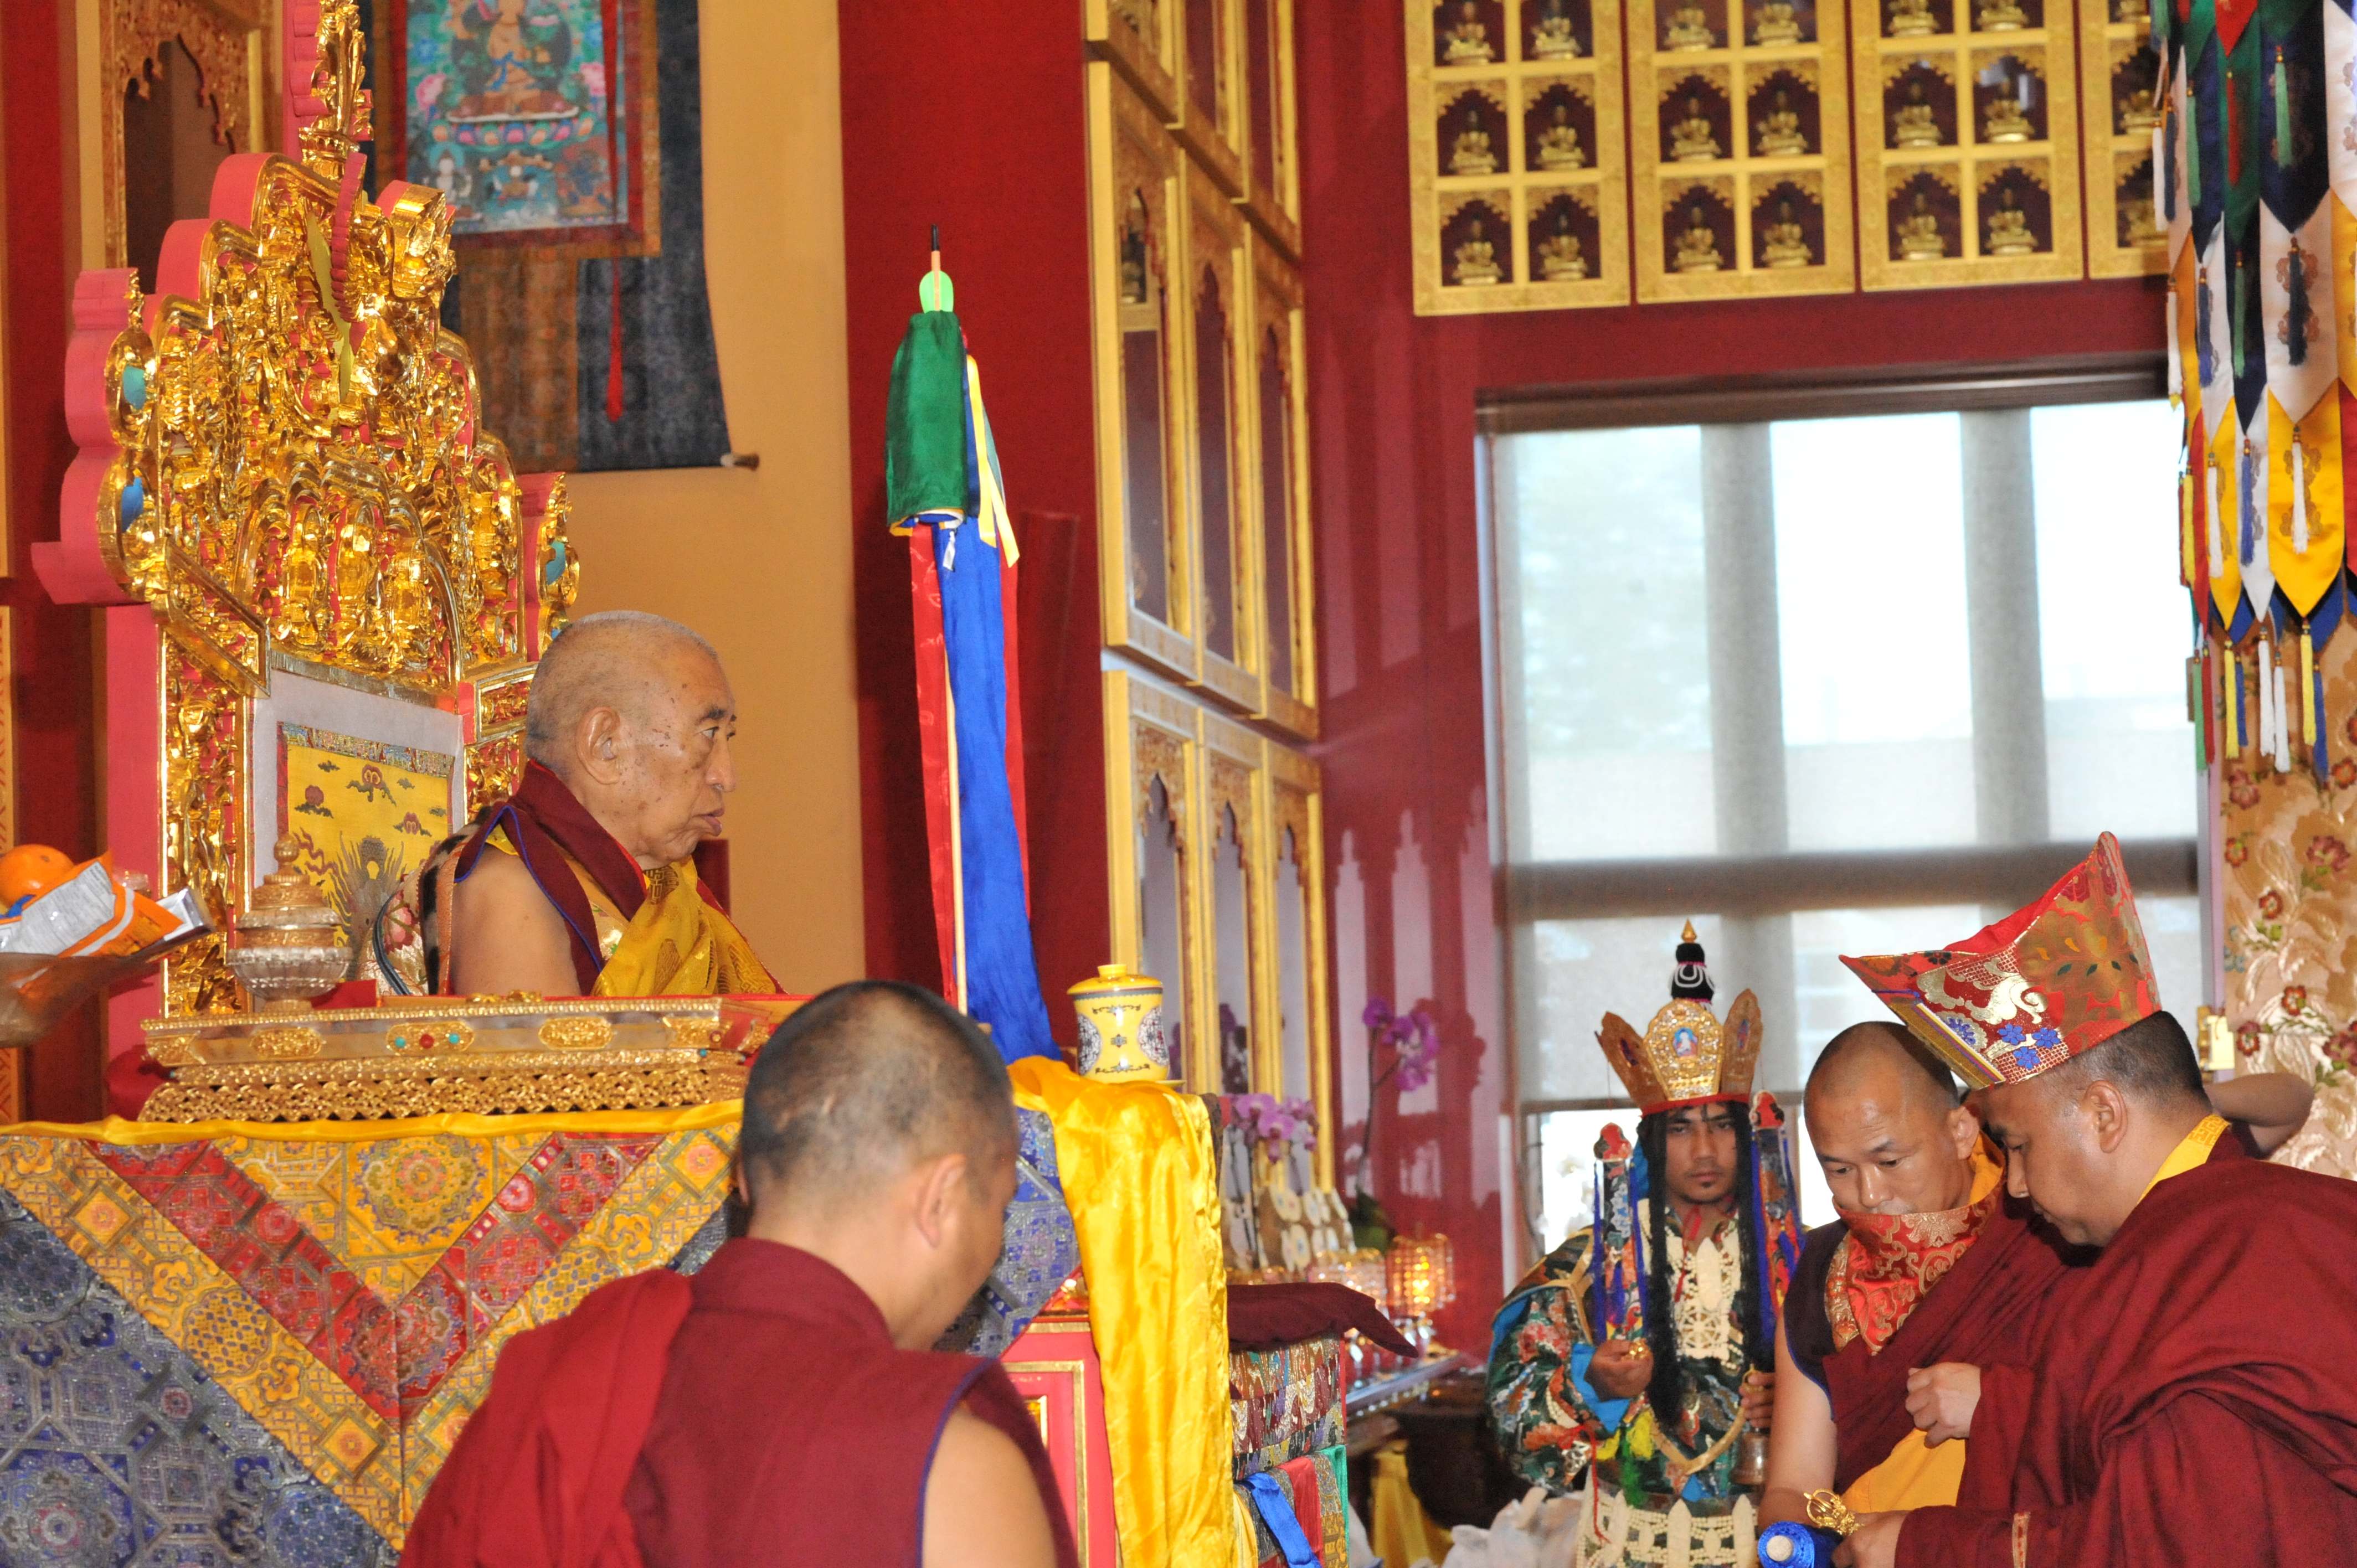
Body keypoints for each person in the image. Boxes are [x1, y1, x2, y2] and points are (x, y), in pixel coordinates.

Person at [403, 979, 1076, 1567]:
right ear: (942, 1197)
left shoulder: (561, 1384)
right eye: (1001, 1205)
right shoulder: (950, 1466)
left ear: (741, 1179)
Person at [1834, 833, 2357, 1568]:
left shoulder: (2171, 1282)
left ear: (2105, 1115)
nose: (2014, 1185)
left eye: (2018, 1145)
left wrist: (1919, 1545)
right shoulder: (2312, 1215)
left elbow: (2163, 1546)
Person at [1761, 1022, 2310, 1530]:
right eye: (1837, 1169)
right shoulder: (1825, 1276)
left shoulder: (2053, 1211)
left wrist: (2162, 1102)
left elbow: (2290, 1101)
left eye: (1889, 1161)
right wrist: (1793, 1545)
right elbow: (1793, 1485)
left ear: (1958, 1130)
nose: (1869, 1195)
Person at [1488, 929, 1779, 1567]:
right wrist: (1592, 1380)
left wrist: (1801, 1400)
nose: (1703, 1152)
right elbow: (1516, 1422)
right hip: (1629, 1543)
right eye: (1680, 1129)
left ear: (1746, 1134)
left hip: (1770, 1541)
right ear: (1651, 1141)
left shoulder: (1797, 1259)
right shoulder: (1582, 1270)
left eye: (1719, 1128)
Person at [431, 610, 774, 997]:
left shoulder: (671, 892)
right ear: (605, 746)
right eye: (709, 733)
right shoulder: (512, 892)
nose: (726, 778)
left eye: (728, 737)